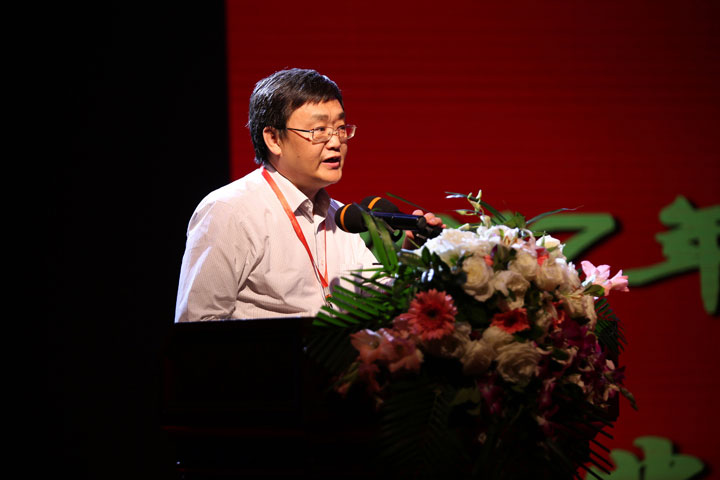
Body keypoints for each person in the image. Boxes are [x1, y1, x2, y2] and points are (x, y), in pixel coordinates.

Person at [175, 68, 441, 322]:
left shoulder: (339, 216)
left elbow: (379, 305)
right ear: (273, 139)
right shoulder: (229, 211)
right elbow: (198, 325)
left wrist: (414, 256)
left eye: (340, 128)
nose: (335, 142)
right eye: (319, 130)